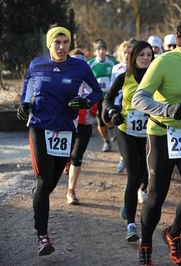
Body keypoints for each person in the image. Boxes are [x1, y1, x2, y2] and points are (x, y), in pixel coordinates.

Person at [17, 25, 102, 256]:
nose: (62, 47)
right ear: (49, 44)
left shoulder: (80, 65)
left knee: (51, 184)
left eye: (66, 42)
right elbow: (28, 87)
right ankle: (42, 237)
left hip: (65, 130)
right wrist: (25, 103)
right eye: (57, 42)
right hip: (39, 127)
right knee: (44, 182)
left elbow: (97, 92)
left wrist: (85, 102)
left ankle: (39, 201)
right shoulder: (37, 64)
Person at [132, 19, 181, 266]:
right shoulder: (163, 62)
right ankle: (146, 245)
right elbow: (138, 99)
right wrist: (167, 109)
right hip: (161, 134)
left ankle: (173, 233)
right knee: (156, 195)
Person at [103, 40, 154, 242]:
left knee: (146, 177)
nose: (145, 58)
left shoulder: (157, 78)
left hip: (150, 133)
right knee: (133, 176)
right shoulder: (125, 77)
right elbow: (107, 98)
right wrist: (113, 111)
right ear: (133, 57)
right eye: (141, 54)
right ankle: (131, 226)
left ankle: (129, 200)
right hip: (126, 130)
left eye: (149, 55)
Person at [65, 48, 99, 205]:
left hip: (84, 124)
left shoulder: (89, 81)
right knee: (65, 156)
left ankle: (71, 190)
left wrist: (93, 106)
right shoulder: (63, 79)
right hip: (65, 124)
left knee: (76, 156)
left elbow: (97, 95)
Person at [87, 39, 119, 152]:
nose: (101, 52)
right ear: (95, 51)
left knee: (106, 116)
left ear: (106, 50)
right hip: (96, 96)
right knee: (100, 120)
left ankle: (111, 127)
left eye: (103, 49)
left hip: (109, 96)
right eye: (99, 49)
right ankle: (106, 141)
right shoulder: (90, 64)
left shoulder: (112, 62)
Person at [110, 41, 133, 174]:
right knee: (122, 131)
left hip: (134, 104)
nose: (127, 55)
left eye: (130, 53)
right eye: (125, 52)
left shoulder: (138, 66)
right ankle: (123, 156)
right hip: (120, 103)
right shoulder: (116, 68)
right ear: (120, 54)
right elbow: (112, 88)